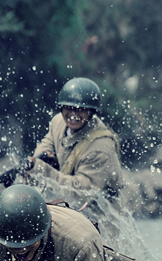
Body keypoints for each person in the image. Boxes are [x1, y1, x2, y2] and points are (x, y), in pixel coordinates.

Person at [25, 78, 123, 206]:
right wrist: (38, 160)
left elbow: (82, 193)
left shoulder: (101, 147)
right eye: (68, 108)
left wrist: (42, 169)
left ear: (91, 112)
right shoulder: (58, 122)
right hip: (71, 204)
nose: (73, 114)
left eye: (80, 109)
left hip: (101, 213)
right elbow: (47, 144)